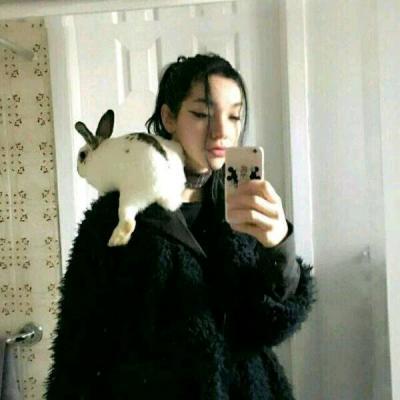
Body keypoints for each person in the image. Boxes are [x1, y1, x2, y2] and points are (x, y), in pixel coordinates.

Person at [45, 53, 315, 400]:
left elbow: (266, 327)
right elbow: (78, 349)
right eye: (202, 114)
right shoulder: (114, 219)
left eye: (234, 116)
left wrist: (278, 248)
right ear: (169, 117)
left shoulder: (242, 209)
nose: (222, 132)